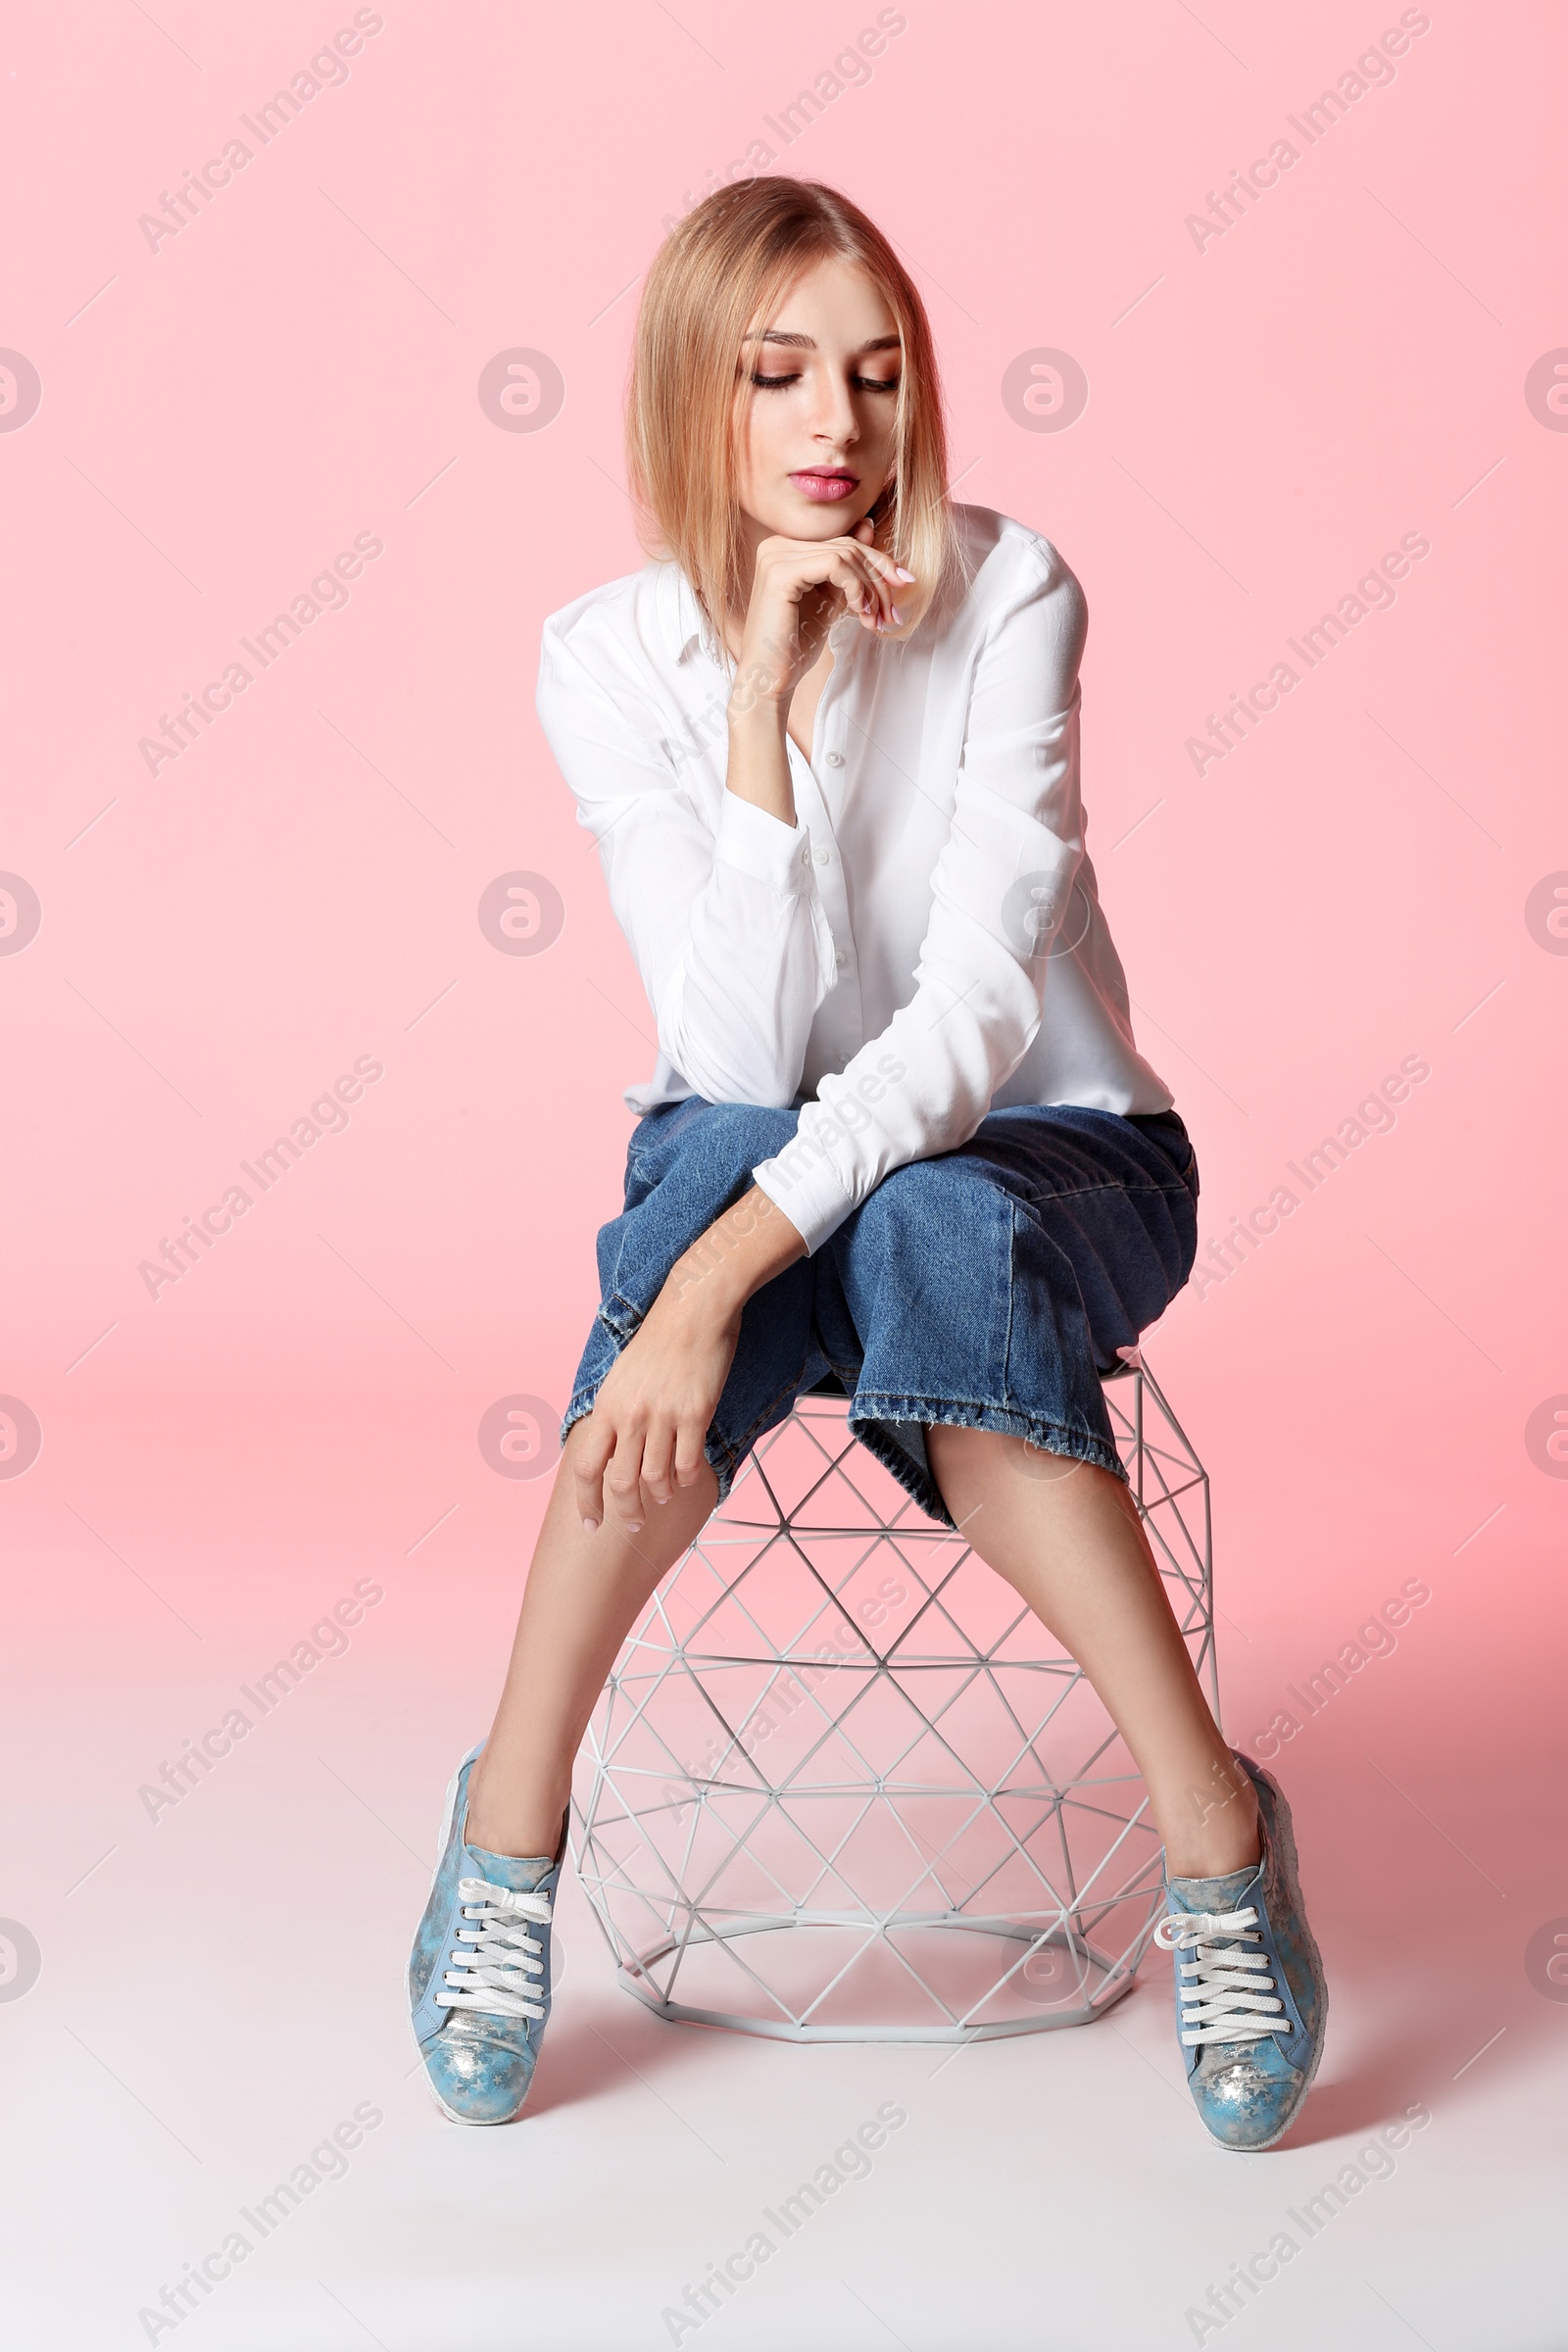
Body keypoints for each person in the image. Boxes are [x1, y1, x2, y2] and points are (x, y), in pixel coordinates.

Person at [407, 178, 1326, 2149]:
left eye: (877, 371)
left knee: (910, 1216)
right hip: (755, 1144)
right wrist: (758, 705)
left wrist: (713, 1281)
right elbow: (731, 1051)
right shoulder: (602, 655)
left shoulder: (1009, 592)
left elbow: (974, 1019)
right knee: (755, 1149)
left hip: (1053, 1157)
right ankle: (505, 1833)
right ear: (692, 396)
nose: (838, 420)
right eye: (777, 373)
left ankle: (1214, 1839)